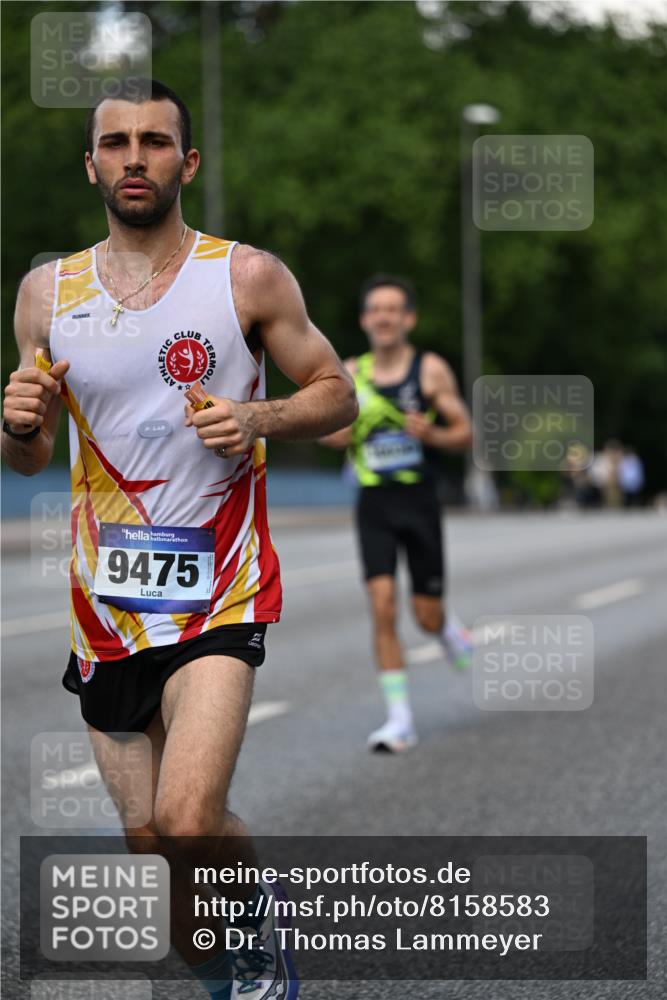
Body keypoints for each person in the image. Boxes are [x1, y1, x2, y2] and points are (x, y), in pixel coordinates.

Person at [1, 79, 357, 1000]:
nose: (133, 157)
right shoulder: (47, 292)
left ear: (185, 162)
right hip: (106, 609)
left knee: (188, 814)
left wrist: (258, 415)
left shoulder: (244, 276)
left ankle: (256, 960)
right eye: (114, 142)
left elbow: (338, 391)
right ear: (90, 165)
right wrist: (17, 421)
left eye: (154, 141)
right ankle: (243, 937)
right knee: (154, 850)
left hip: (218, 589)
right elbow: (30, 457)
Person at [320, 274, 473, 753]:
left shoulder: (429, 371)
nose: (384, 318)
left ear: (408, 318)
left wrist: (430, 435)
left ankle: (445, 628)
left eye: (393, 310)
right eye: (375, 311)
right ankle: (400, 720)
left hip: (420, 501)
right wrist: (343, 433)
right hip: (375, 503)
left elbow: (464, 434)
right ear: (365, 320)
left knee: (424, 616)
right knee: (382, 607)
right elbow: (330, 433)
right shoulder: (350, 372)